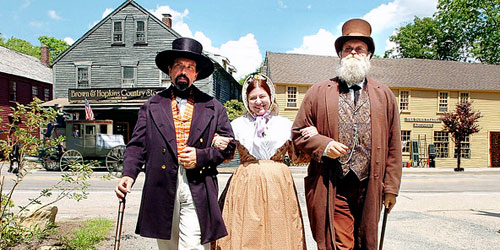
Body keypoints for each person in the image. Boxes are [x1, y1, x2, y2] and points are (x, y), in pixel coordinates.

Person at [114, 37, 236, 250]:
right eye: (179, 66)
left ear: (196, 74)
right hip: (161, 184)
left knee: (194, 246)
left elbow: (230, 147)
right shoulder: (151, 106)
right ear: (169, 70)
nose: (184, 71)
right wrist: (128, 174)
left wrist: (201, 156)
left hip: (198, 184)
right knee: (168, 247)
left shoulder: (213, 106)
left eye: (190, 67)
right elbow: (137, 146)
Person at [292, 18, 403, 250]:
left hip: (370, 186)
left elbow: (394, 146)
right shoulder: (319, 92)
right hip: (333, 184)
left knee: (366, 242)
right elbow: (298, 132)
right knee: (340, 244)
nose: (353, 53)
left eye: (359, 49)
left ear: (369, 55)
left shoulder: (385, 96)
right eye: (347, 49)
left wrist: (391, 189)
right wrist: (323, 145)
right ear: (340, 54)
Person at [212, 73, 317, 250]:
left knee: (279, 230)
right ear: (246, 100)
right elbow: (226, 156)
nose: (258, 102)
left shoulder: (285, 124)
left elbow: (297, 157)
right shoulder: (237, 124)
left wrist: (312, 133)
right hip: (246, 185)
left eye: (262, 96)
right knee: (245, 229)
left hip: (279, 186)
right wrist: (216, 141)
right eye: (253, 98)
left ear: (271, 97)